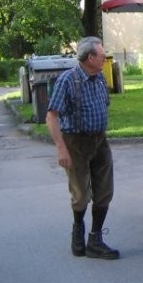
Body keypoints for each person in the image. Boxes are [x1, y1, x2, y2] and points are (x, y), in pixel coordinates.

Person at [45, 36, 119, 260]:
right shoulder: (68, 80)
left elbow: (103, 104)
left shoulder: (98, 78)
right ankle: (78, 230)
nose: (105, 57)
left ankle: (95, 239)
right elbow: (51, 116)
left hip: (99, 140)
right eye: (102, 54)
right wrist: (61, 148)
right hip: (75, 142)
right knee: (80, 193)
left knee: (104, 191)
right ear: (90, 58)